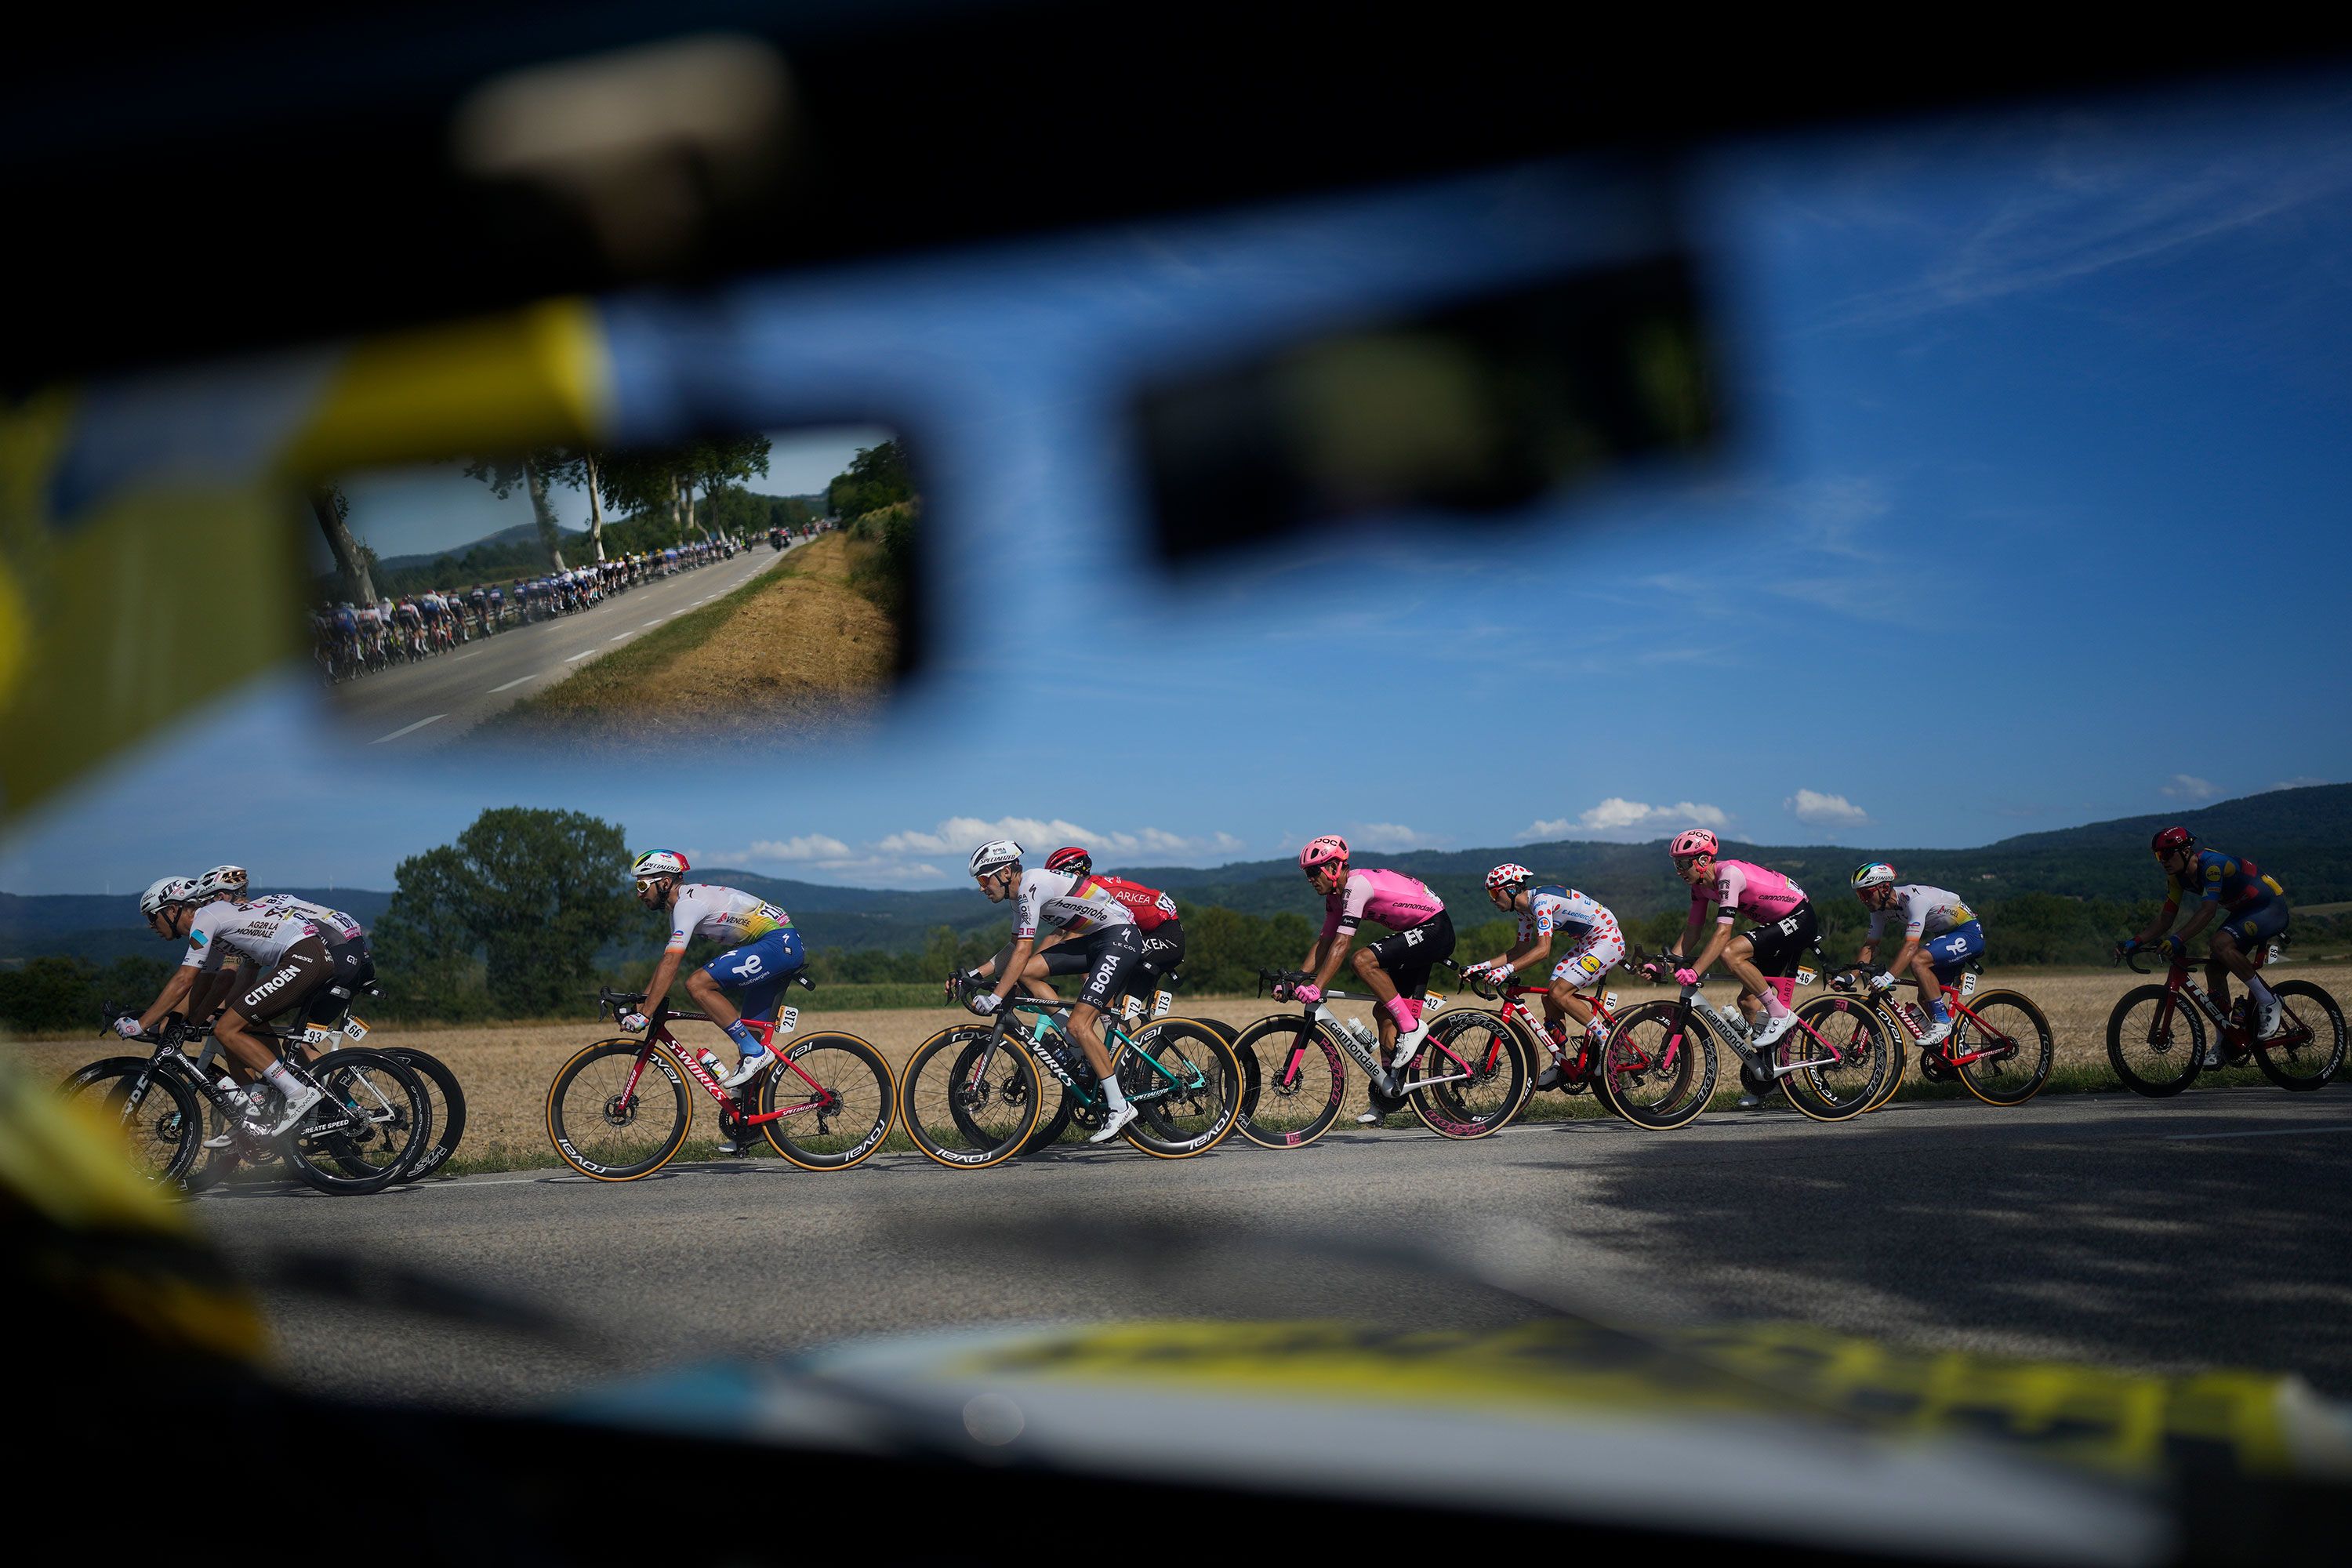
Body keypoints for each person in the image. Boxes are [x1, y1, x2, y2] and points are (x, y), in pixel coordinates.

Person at [118, 876, 337, 1137]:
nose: (151, 925)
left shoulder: (205, 918)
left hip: (303, 957)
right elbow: (204, 982)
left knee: (228, 1029)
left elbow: (184, 978)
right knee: (236, 1025)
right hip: (307, 956)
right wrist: (188, 1023)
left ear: (173, 909)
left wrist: (141, 1023)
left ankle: (297, 1093)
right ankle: (269, 1096)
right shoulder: (211, 925)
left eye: (152, 917)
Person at [964, 839, 1148, 1143]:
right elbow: (1013, 949)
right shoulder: (1018, 897)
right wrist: (974, 974)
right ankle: (1074, 1041)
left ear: (1007, 872)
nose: (982, 888)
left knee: (1080, 1023)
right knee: (1024, 975)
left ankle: (1119, 1106)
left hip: (1119, 937)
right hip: (1096, 939)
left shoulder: (1031, 886)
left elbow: (1024, 948)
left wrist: (996, 997)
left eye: (985, 879)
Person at [622, 852, 804, 1147]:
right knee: (752, 1036)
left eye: (643, 886)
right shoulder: (680, 907)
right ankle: (751, 1128)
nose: (639, 894)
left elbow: (673, 962)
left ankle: (755, 1054)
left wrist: (646, 1013)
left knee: (698, 985)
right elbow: (664, 963)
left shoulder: (687, 905)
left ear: (665, 882)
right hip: (775, 944)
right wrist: (642, 1003)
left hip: (777, 942)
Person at [1287, 833, 1454, 1123]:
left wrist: (1317, 987)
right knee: (1382, 1011)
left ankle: (1412, 1027)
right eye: (1307, 874)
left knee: (1362, 960)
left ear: (1334, 868)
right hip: (1416, 933)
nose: (1310, 879)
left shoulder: (1356, 886)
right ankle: (1390, 1093)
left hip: (1435, 929)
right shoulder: (1335, 898)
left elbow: (1342, 944)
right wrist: (1298, 978)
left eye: (1314, 872)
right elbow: (1325, 940)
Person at [1460, 863, 1626, 1092]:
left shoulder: (1541, 902)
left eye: (1494, 893)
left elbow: (1542, 951)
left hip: (1607, 940)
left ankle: (1608, 1040)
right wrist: (1481, 967)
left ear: (1509, 889)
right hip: (1587, 943)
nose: (1492, 900)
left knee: (1560, 992)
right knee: (1550, 997)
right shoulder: (1524, 911)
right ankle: (1561, 1063)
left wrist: (1506, 970)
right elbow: (1518, 950)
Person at [966, 845, 1187, 1015]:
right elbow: (1055, 935)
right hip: (1135, 934)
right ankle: (1113, 1036)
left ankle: (1116, 1041)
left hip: (1164, 934)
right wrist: (1021, 968)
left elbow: (1069, 936)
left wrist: (1019, 966)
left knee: (1097, 981)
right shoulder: (1048, 894)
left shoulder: (1097, 890)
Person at [2122, 826, 2289, 1048]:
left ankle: (2269, 1000)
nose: (2163, 861)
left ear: (2185, 851)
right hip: (2244, 912)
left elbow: (2208, 911)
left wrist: (2177, 939)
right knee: (2214, 969)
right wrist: (2134, 942)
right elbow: (2165, 919)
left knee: (2219, 944)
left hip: (2269, 907)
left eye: (2167, 854)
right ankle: (2224, 1041)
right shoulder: (2176, 879)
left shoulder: (2212, 865)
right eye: (2158, 855)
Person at [1663, 828, 1815, 1054]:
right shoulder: (1700, 887)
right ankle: (1769, 1073)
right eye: (1677, 865)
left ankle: (1780, 1014)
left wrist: (1695, 971)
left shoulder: (1729, 875)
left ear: (1703, 860)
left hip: (1799, 917)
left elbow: (1723, 933)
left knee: (1730, 952)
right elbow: (1693, 932)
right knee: (1748, 1003)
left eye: (1684, 864)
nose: (1679, 871)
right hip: (1776, 925)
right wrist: (1665, 964)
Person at [1850, 863, 1984, 1047]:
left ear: (1885, 888)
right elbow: (1871, 946)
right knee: (1925, 998)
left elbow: (1911, 946)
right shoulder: (1879, 911)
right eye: (1859, 895)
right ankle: (1959, 1047)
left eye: (1866, 894)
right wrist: (1850, 977)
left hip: (1968, 932)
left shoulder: (1914, 899)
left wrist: (1888, 977)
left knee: (1918, 960)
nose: (1863, 900)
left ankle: (1943, 1022)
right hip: (1945, 936)